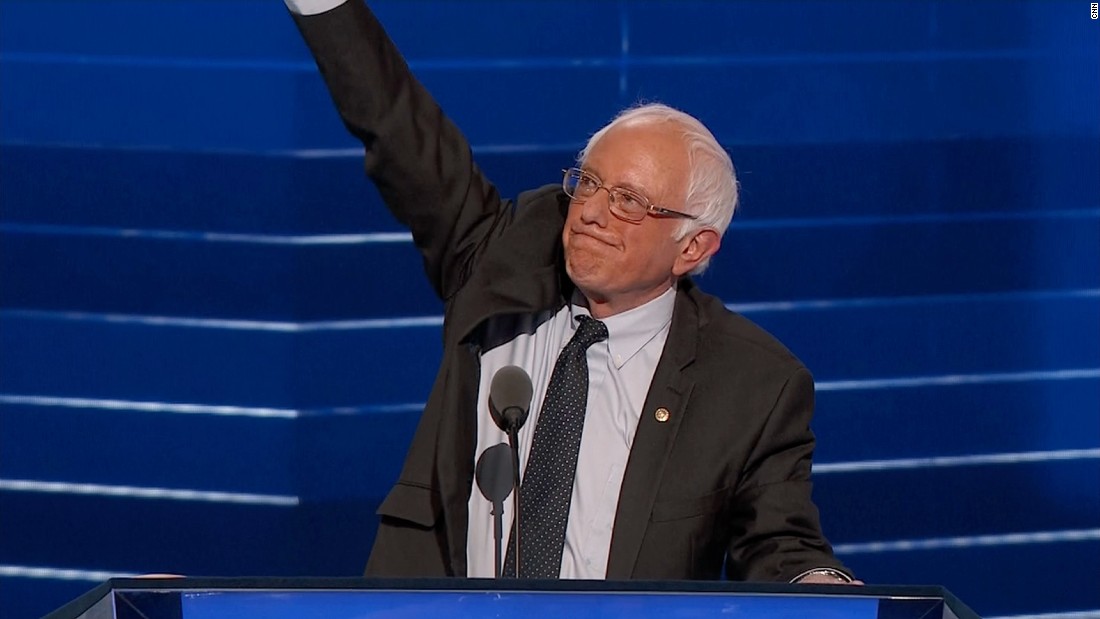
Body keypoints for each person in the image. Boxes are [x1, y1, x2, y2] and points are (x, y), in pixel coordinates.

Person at [286, 0, 856, 584]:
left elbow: (780, 542)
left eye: (629, 201)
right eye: (588, 182)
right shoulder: (499, 261)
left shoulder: (751, 383)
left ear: (694, 248)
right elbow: (399, 129)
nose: (590, 213)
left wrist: (818, 584)